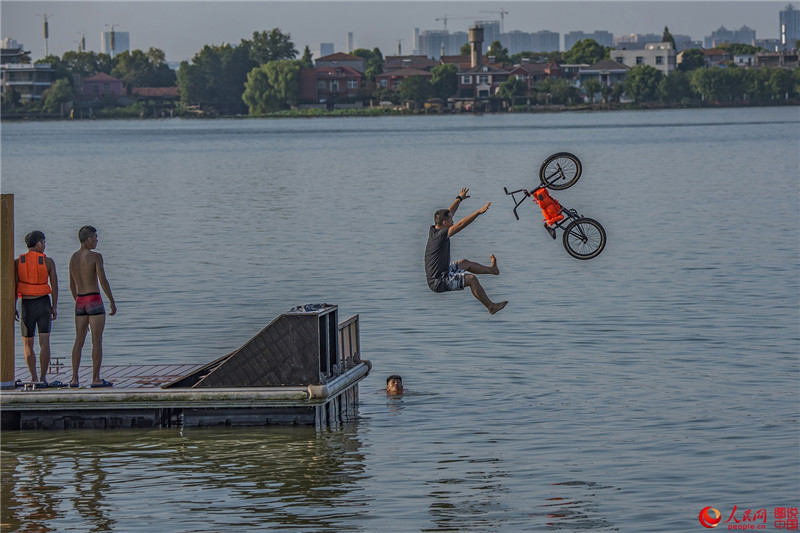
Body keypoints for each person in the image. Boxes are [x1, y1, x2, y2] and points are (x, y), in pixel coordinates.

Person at [424, 188, 508, 315]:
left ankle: (492, 270)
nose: (453, 221)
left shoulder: (435, 229)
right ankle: (491, 307)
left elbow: (450, 212)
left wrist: (459, 198)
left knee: (464, 263)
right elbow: (461, 225)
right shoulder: (440, 235)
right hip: (438, 281)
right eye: (451, 221)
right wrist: (478, 212)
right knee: (472, 279)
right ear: (445, 223)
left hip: (444, 271)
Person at [68, 226, 116, 388]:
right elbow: (103, 281)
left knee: (79, 340)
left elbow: (71, 285)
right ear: (88, 239)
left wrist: (79, 302)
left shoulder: (73, 258)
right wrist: (112, 301)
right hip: (94, 299)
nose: (97, 241)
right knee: (97, 340)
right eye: (95, 238)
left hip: (80, 301)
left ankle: (74, 378)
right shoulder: (96, 257)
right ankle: (95, 378)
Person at [14, 231, 58, 384]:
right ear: (39, 243)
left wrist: (13, 307)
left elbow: (13, 287)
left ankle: (33, 377)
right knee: (44, 342)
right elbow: (55, 286)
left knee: (28, 343)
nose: (44, 246)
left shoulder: (18, 262)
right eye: (44, 243)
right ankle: (43, 378)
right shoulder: (48, 262)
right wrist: (54, 306)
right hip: (43, 304)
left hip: (27, 305)